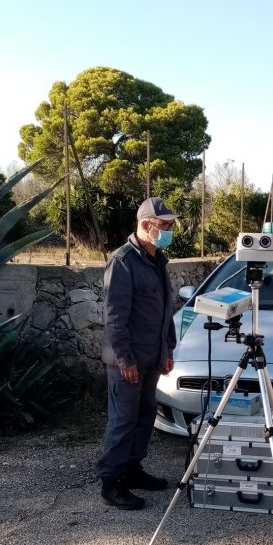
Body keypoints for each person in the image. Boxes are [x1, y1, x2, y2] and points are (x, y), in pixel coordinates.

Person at [96, 197, 178, 509]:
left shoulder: (157, 260)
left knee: (144, 418)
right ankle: (111, 481)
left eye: (170, 225)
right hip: (127, 361)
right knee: (123, 421)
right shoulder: (123, 261)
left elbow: (164, 312)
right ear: (146, 225)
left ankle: (132, 469)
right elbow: (115, 317)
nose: (170, 230)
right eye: (165, 225)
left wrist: (167, 349)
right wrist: (125, 359)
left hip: (152, 357)